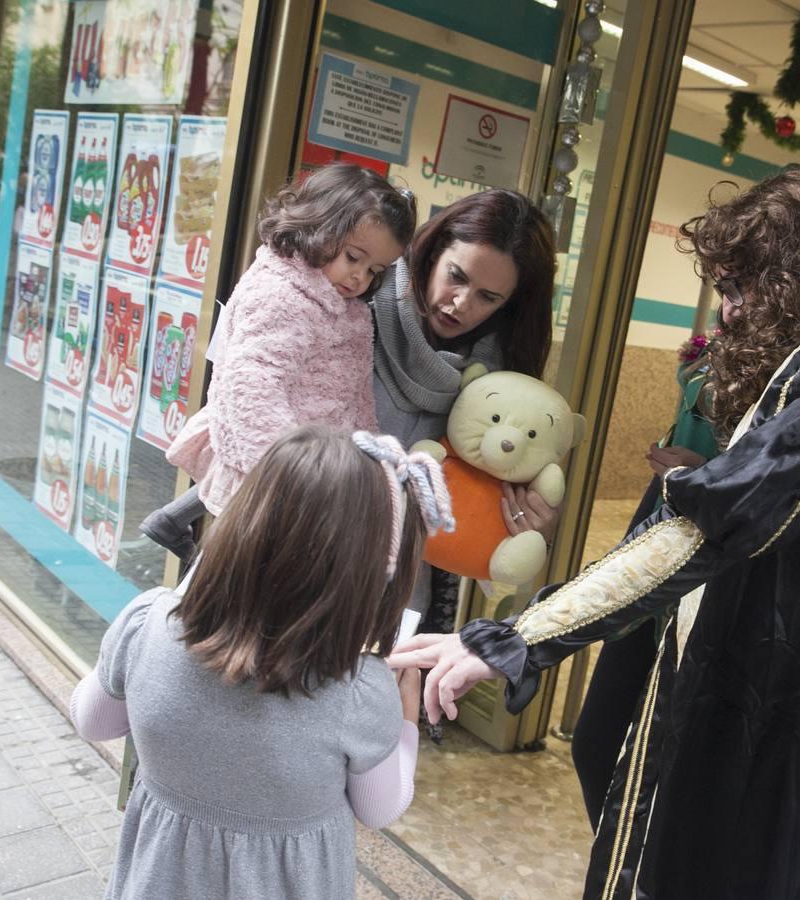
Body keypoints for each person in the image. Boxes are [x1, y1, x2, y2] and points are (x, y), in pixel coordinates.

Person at [390, 168, 800, 898]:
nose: (730, 315)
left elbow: (716, 521)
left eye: (740, 291)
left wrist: (517, 638)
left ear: (795, 279)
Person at [71, 427, 454, 899]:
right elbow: (380, 807)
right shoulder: (359, 692)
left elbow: (93, 721)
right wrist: (405, 719)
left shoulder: (147, 622)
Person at [143, 164, 416, 559]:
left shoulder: (344, 307)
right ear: (319, 226)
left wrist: (369, 464)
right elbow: (251, 387)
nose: (359, 277)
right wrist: (290, 474)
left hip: (314, 480)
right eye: (354, 257)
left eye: (374, 270)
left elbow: (357, 398)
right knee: (242, 582)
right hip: (276, 482)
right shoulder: (282, 294)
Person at [370, 190, 558, 660]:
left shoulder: (498, 385)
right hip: (299, 546)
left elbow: (486, 510)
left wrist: (532, 524)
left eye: (487, 297)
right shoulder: (362, 302)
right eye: (456, 276)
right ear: (433, 251)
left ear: (510, 304)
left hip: (395, 593)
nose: (459, 303)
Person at [571, 332, 720, 825]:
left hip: (713, 585)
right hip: (658, 558)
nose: (730, 305)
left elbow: (776, 487)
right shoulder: (723, 344)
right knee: (597, 745)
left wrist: (710, 475)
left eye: (740, 287)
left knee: (673, 781)